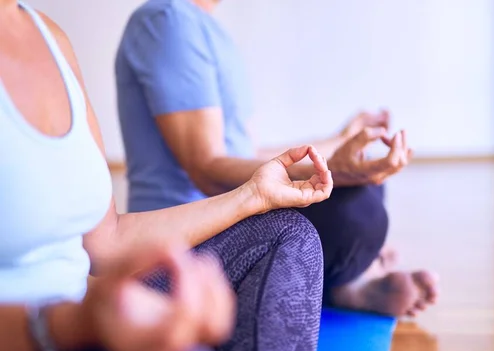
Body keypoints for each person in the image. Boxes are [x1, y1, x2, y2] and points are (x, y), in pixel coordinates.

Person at [0, 1, 342, 351]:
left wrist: (254, 195)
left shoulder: (50, 38)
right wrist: (74, 324)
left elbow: (106, 242)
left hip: (84, 318)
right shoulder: (164, 21)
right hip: (28, 346)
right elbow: (206, 162)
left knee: (287, 233)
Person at [116, 0, 439, 318]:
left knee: (364, 183)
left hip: (232, 208)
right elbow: (208, 170)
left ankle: (347, 281)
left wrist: (341, 143)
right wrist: (336, 172)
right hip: (188, 237)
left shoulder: (204, 26)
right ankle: (347, 282)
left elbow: (246, 157)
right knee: (356, 211)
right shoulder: (167, 20)